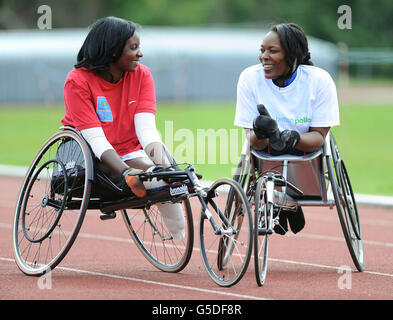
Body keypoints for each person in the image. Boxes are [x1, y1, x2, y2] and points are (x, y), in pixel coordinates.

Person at [61, 16, 185, 241]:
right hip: (89, 154)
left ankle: (179, 235)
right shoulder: (77, 81)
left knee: (160, 176)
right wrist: (127, 172)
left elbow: (146, 130)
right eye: (134, 47)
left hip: (127, 148)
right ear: (113, 51)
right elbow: (95, 139)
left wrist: (164, 167)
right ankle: (134, 177)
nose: (140, 53)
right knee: (143, 175)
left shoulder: (142, 75)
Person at [234, 23, 340, 235]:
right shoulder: (249, 78)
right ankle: (285, 200)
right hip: (266, 154)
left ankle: (287, 200)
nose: (264, 56)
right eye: (262, 50)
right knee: (256, 149)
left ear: (293, 56)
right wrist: (264, 133)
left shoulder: (319, 81)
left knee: (296, 144)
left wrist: (292, 138)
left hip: (306, 151)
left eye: (272, 51)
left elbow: (319, 136)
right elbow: (252, 140)